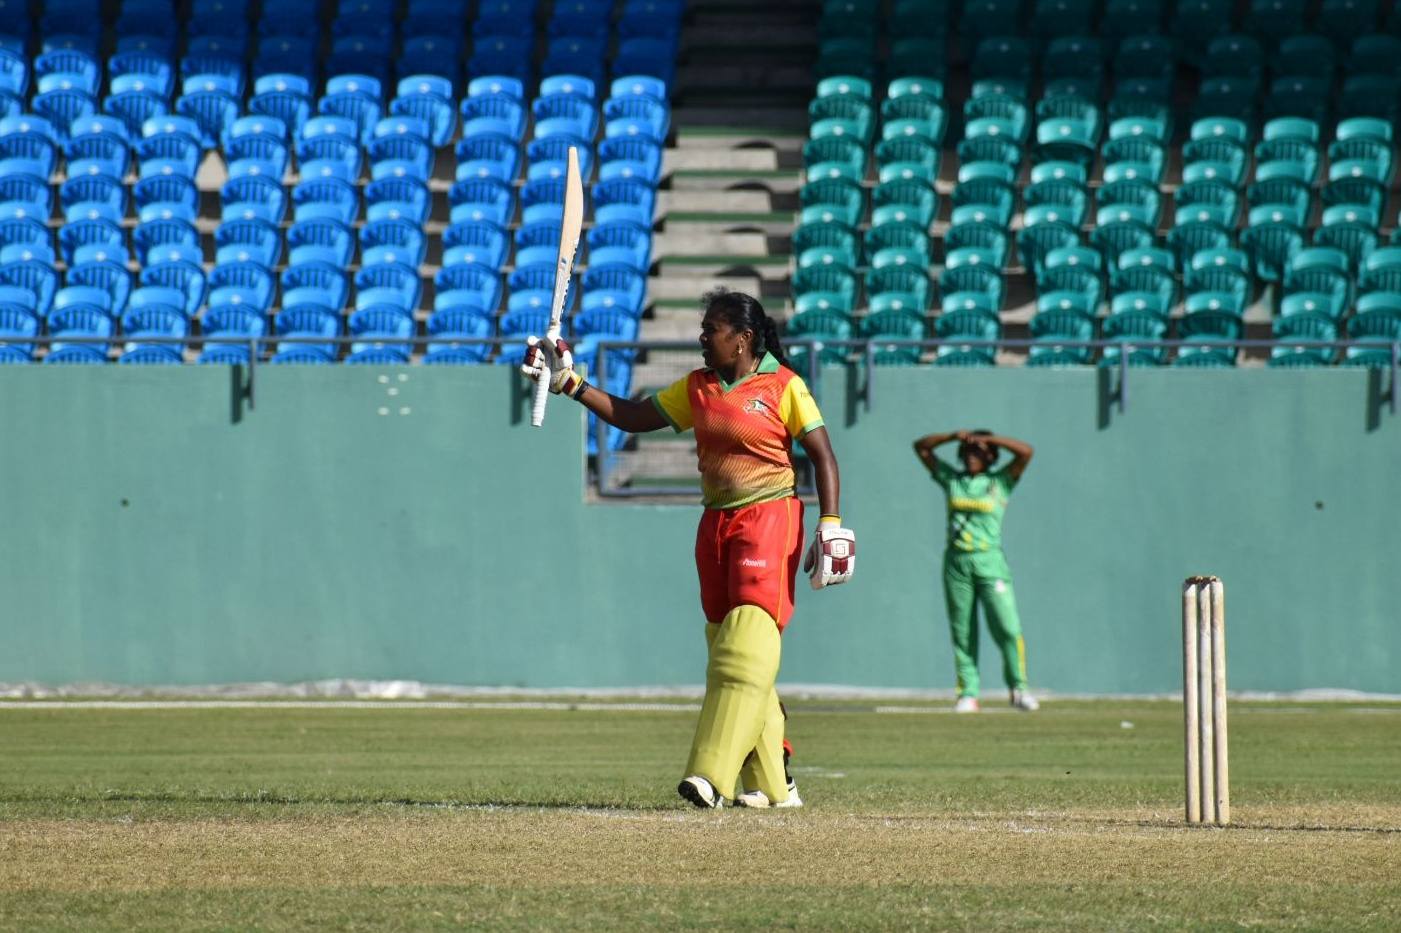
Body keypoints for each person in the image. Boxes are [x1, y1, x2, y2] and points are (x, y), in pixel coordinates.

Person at [523, 288, 855, 808]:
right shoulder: (698, 387)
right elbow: (636, 417)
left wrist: (830, 523)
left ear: (743, 338)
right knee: (728, 646)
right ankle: (775, 782)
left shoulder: (784, 385)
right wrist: (572, 384)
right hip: (715, 522)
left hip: (769, 515)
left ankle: (711, 775)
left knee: (746, 644)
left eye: (712, 330)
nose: (703, 339)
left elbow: (823, 455)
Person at [912, 429, 1038, 713]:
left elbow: (1026, 452)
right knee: (963, 632)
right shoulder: (952, 480)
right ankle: (968, 693)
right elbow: (921, 448)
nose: (972, 457)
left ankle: (1019, 688)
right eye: (968, 452)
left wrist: (990, 440)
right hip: (957, 563)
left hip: (990, 561)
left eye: (978, 452)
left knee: (1008, 628)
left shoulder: (1000, 481)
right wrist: (953, 437)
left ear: (990, 456)